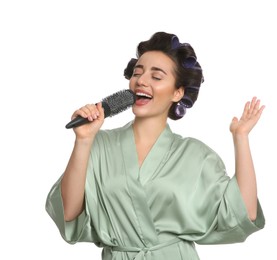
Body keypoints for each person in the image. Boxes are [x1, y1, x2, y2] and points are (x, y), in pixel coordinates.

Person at [46, 31, 265, 260]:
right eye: (137, 73)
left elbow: (244, 212)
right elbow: (68, 214)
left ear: (178, 92)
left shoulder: (196, 156)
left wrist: (241, 138)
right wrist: (82, 140)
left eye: (157, 77)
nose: (141, 80)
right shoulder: (98, 144)